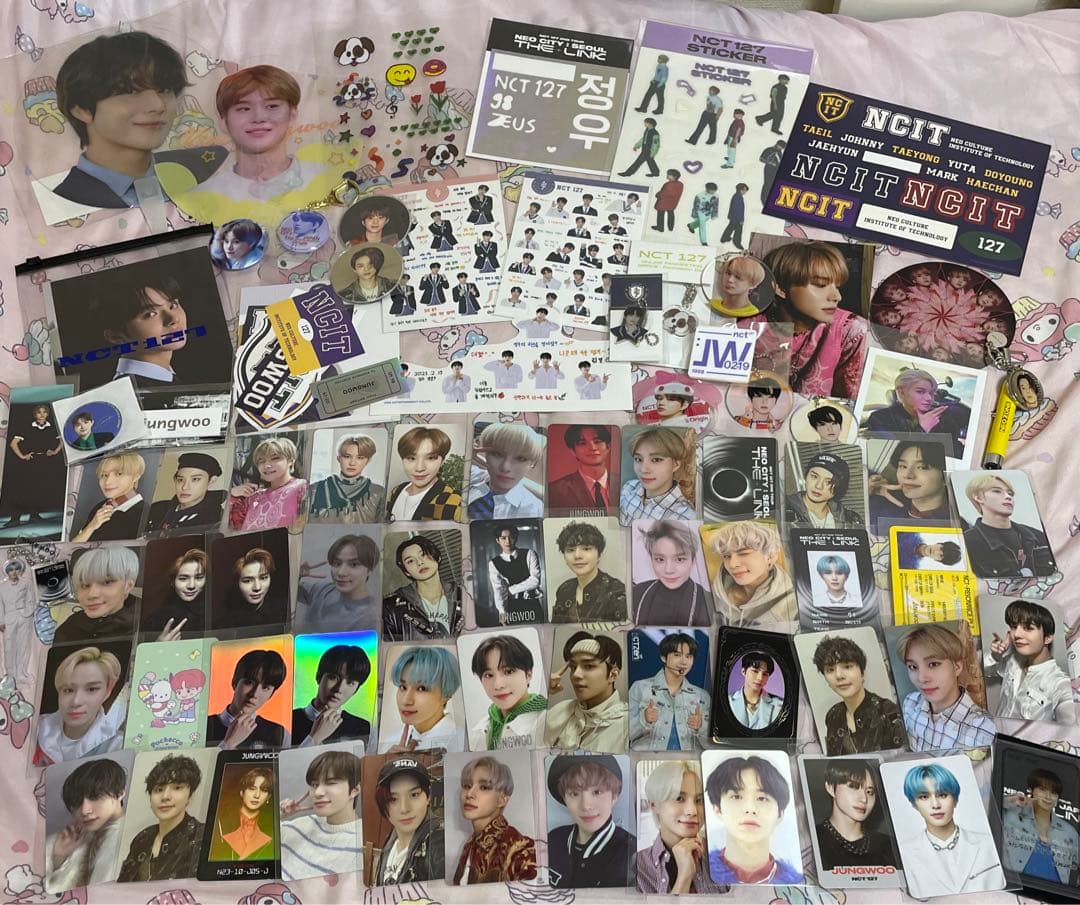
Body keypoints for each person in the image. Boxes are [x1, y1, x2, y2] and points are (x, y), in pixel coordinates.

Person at [53, 32, 188, 208]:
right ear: (81, 109)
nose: (158, 105)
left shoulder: (193, 180)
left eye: (165, 90)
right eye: (131, 92)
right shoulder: (61, 205)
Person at [738, 241, 869, 400]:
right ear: (781, 288)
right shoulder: (744, 329)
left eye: (837, 286)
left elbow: (852, 401)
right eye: (821, 285)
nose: (837, 297)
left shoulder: (851, 330)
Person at [193, 65, 323, 200]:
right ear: (224, 122)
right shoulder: (200, 198)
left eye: (272, 106)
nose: (259, 117)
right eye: (244, 109)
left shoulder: (328, 181)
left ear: (292, 115)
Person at [897, 763, 1005, 897]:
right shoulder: (905, 852)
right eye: (924, 797)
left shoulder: (989, 843)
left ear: (955, 800)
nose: (935, 805)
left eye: (942, 795)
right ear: (914, 804)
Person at [896, 623, 997, 752]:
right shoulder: (910, 703)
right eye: (913, 667)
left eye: (933, 664)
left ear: (957, 667)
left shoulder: (982, 729)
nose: (921, 678)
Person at [705, 755, 802, 884]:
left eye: (762, 798)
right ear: (717, 809)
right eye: (736, 797)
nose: (750, 809)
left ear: (780, 814)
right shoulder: (697, 872)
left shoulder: (797, 884)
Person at [547, 754, 636, 888]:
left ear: (614, 796)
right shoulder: (553, 839)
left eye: (597, 792)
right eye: (574, 794)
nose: (586, 806)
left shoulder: (633, 854)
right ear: (564, 799)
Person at [88, 273, 193, 386]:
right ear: (115, 336)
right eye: (150, 314)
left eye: (173, 305)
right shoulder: (129, 391)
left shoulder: (166, 376)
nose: (173, 319)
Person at [637, 761, 725, 894]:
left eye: (699, 800)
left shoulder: (723, 855)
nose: (692, 811)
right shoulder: (638, 867)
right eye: (679, 798)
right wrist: (684, 877)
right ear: (654, 805)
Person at [811, 635, 905, 755]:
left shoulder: (888, 711)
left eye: (847, 666)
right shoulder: (833, 715)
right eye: (830, 670)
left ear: (862, 672)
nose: (839, 675)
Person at [34, 646, 127, 766]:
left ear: (107, 691)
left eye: (91, 689)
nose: (76, 701)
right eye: (68, 690)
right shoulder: (34, 728)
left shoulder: (117, 746)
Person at [118, 755, 204, 882]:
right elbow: (122, 886)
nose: (165, 796)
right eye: (159, 789)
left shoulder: (203, 837)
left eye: (177, 788)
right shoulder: (142, 838)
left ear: (190, 796)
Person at [45, 758, 127, 892]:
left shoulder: (133, 837)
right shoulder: (70, 839)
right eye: (77, 802)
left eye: (95, 797)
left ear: (120, 793)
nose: (84, 810)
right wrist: (58, 858)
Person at [279, 750, 362, 881]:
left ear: (355, 790)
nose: (317, 792)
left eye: (330, 783)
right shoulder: (302, 824)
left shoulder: (363, 843)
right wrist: (279, 815)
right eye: (314, 785)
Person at [986, 599, 1075, 723]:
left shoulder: (1060, 684)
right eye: (1014, 627)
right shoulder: (1012, 661)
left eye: (1028, 628)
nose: (1017, 634)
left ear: (1047, 638)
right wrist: (995, 656)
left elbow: (1069, 729)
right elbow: (983, 671)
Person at [453, 756, 537, 884]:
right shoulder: (470, 845)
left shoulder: (518, 848)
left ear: (502, 799)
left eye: (484, 787)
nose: (469, 794)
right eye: (467, 785)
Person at [545, 631, 628, 753]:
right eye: (573, 667)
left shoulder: (628, 726)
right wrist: (541, 692)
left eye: (588, 666)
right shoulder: (561, 710)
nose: (576, 675)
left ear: (613, 675)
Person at [861, 368, 971, 458]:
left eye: (931, 393)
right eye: (920, 391)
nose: (929, 398)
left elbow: (955, 451)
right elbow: (893, 456)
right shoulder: (880, 418)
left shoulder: (941, 417)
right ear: (901, 393)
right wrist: (922, 429)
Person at [962, 473, 1056, 578]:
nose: (1008, 497)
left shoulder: (1036, 536)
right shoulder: (967, 542)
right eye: (997, 491)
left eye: (1010, 493)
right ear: (978, 498)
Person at [629, 633, 711, 750]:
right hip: (648, 758)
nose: (684, 662)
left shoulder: (702, 696)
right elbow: (623, 736)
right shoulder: (640, 688)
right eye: (677, 655)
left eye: (688, 656)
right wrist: (644, 720)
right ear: (663, 657)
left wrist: (701, 727)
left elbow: (712, 745)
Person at [708, 521, 797, 626]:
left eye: (743, 553)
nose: (732, 564)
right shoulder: (710, 596)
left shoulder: (795, 605)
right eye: (726, 556)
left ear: (770, 556)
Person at [1001, 767, 1080, 884]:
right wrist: (1011, 800)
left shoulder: (1069, 832)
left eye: (1053, 792)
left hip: (1053, 893)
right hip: (1013, 887)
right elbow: (986, 810)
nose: (1048, 796)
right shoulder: (1012, 816)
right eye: (1042, 789)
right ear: (1031, 790)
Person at [814, 760, 897, 871]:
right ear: (830, 788)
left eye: (869, 792)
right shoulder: (812, 840)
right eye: (853, 787)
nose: (864, 799)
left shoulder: (889, 846)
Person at [373, 756, 445, 884]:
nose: (404, 809)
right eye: (393, 799)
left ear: (428, 796)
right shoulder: (392, 839)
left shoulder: (439, 843)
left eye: (414, 795)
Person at [468, 635, 547, 750]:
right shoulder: (479, 730)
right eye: (489, 675)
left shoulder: (547, 721)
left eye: (508, 671)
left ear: (528, 675)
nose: (498, 685)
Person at [381, 645, 464, 752]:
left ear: (446, 695)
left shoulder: (462, 743)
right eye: (403, 687)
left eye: (421, 688)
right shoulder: (389, 744)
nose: (406, 700)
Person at [382, 534, 465, 640]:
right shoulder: (391, 608)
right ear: (406, 572)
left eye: (423, 555)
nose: (420, 562)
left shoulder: (464, 595)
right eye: (410, 561)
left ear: (438, 557)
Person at [54, 546, 140, 644]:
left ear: (128, 586)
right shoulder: (70, 627)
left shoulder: (144, 624)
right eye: (85, 585)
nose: (92, 594)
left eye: (106, 582)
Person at [205, 648, 288, 749]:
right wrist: (229, 743)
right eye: (249, 682)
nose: (254, 694)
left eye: (266, 688)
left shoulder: (279, 734)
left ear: (271, 694)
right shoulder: (202, 727)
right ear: (234, 682)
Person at [296, 533, 380, 633]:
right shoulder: (323, 590)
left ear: (370, 569)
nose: (341, 572)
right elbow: (286, 594)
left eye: (354, 564)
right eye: (337, 563)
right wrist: (296, 575)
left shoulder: (370, 618)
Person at [632, 521, 710, 626]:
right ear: (651, 559)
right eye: (660, 559)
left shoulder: (709, 603)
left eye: (679, 559)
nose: (668, 570)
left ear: (693, 560)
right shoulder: (636, 593)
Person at [292, 644, 372, 746]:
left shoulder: (362, 728)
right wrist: (314, 738)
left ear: (356, 690)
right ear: (319, 677)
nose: (339, 689)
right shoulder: (289, 721)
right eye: (333, 677)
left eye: (350, 683)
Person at [868, 439, 951, 534]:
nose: (908, 475)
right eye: (903, 466)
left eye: (922, 467)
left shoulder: (954, 526)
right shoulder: (883, 502)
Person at [550, 521, 627, 623]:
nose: (577, 556)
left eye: (586, 549)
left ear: (599, 555)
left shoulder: (617, 592)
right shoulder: (564, 589)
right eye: (570, 550)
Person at [2, 403, 63, 529]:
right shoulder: (27, 427)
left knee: (37, 489)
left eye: (44, 412)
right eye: (39, 412)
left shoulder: (52, 427)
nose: (42, 415)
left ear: (47, 414)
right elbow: (13, 443)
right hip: (30, 462)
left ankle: (34, 515)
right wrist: (22, 456)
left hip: (44, 461)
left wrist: (55, 451)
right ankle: (15, 518)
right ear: (35, 415)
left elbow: (62, 440)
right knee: (23, 489)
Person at [619, 426, 696, 526]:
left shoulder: (685, 517)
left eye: (656, 460)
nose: (643, 470)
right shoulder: (628, 487)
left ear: (675, 464)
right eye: (638, 459)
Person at [228, 437, 307, 531]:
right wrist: (232, 494)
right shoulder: (253, 497)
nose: (266, 465)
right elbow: (232, 526)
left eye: (275, 458)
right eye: (261, 461)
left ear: (290, 461)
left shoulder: (301, 487)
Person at [386, 426, 463, 522]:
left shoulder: (454, 501)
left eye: (430, 458)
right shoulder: (396, 491)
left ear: (442, 461)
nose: (419, 468)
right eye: (411, 458)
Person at [467, 422, 543, 520]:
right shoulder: (473, 476)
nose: (505, 467)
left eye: (521, 458)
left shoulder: (534, 509)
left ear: (532, 463)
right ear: (485, 453)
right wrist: (466, 454)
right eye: (497, 454)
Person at [308, 434, 385, 523]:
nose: (352, 463)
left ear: (368, 460)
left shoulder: (378, 493)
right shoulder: (314, 490)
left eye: (360, 458)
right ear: (338, 458)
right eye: (347, 456)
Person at [72, 452, 147, 542]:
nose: (108, 482)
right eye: (104, 475)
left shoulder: (144, 514)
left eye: (119, 474)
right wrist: (91, 526)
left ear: (136, 476)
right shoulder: (100, 507)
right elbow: (72, 547)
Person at [146, 452, 227, 534]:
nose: (185, 487)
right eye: (180, 480)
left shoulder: (218, 519)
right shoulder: (156, 509)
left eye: (195, 479)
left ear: (211, 481)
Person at [208, 767, 275, 860]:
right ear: (242, 792)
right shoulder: (219, 823)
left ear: (268, 797)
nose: (257, 795)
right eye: (252, 788)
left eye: (264, 790)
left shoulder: (273, 830)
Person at [783, 452, 864, 529]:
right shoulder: (782, 510)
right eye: (814, 476)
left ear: (840, 487)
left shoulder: (851, 520)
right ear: (806, 476)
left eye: (829, 482)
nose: (818, 486)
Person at [483, 526, 544, 625]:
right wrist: (502, 612)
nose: (508, 541)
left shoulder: (529, 554)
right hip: (512, 608)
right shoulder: (494, 563)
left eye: (511, 537)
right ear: (497, 540)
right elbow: (498, 589)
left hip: (532, 606)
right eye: (503, 538)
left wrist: (511, 590)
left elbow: (535, 580)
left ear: (516, 537)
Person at [142, 548, 207, 639]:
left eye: (199, 578)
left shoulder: (210, 614)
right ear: (172, 582)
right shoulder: (156, 619)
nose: (191, 585)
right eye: (183, 579)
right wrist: (158, 644)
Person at [548, 425, 614, 515]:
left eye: (597, 441)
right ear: (573, 451)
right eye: (582, 443)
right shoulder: (555, 491)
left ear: (608, 447)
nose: (592, 448)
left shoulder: (623, 485)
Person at [217, 547, 287, 630]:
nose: (257, 587)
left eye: (263, 578)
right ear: (237, 583)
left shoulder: (285, 611)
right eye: (247, 581)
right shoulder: (226, 624)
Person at [726, 652, 784, 730]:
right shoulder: (728, 701)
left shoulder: (779, 705)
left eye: (765, 674)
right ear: (743, 672)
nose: (760, 678)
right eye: (755, 671)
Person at [0, 559, 35, 685]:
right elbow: (0, 605)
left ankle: (21, 673)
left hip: (24, 617)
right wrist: (1, 620)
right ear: (6, 572)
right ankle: (10, 675)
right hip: (9, 618)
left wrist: (28, 612)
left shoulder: (26, 583)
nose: (14, 572)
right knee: (9, 647)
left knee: (23, 645)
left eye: (16, 569)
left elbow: (31, 599)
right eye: (11, 570)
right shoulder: (1, 586)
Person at [894, 531, 963, 569]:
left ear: (937, 560)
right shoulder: (911, 533)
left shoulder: (912, 567)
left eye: (941, 555)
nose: (935, 552)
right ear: (939, 543)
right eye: (940, 548)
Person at [652, 168, 684, 233]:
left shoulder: (669, 184)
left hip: (663, 202)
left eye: (669, 175)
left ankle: (660, 227)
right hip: (673, 202)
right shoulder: (680, 184)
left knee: (660, 214)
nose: (667, 176)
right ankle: (670, 227)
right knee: (671, 213)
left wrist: (658, 194)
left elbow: (664, 193)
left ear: (674, 176)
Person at [720, 183, 749, 249]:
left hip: (733, 217)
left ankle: (724, 238)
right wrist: (741, 220)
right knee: (738, 231)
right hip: (737, 218)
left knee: (730, 227)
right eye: (745, 190)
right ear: (741, 190)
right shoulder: (738, 197)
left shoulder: (736, 196)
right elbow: (739, 210)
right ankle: (737, 243)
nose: (745, 192)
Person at [759, 139, 786, 206]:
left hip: (775, 170)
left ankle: (769, 199)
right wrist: (770, 163)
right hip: (769, 169)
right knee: (767, 184)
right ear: (777, 144)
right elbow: (761, 158)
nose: (781, 149)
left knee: (773, 184)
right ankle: (764, 200)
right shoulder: (769, 150)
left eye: (782, 148)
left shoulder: (779, 152)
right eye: (781, 147)